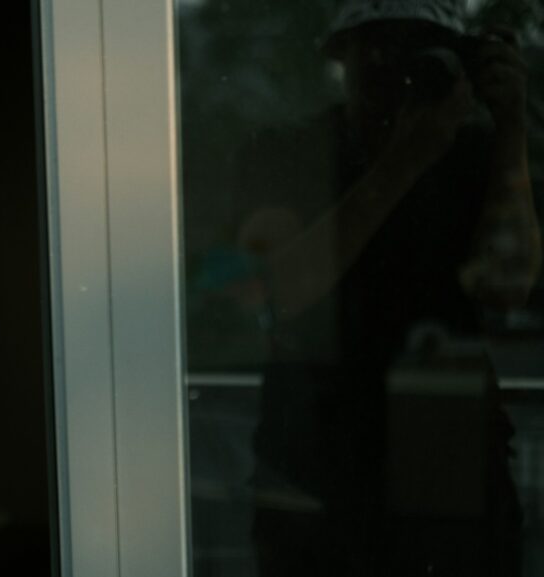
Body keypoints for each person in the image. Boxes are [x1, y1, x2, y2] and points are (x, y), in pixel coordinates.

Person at [229, 0, 540, 575]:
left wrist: (511, 130)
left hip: (449, 459)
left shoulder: (471, 155)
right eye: (379, 46)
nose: (397, 69)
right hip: (321, 462)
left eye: (418, 49)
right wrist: (406, 160)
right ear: (340, 54)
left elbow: (508, 286)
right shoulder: (287, 152)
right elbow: (275, 293)